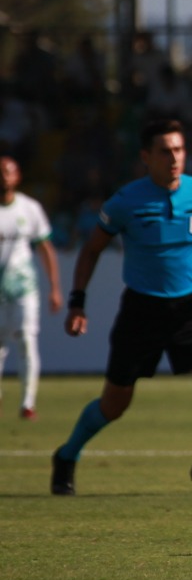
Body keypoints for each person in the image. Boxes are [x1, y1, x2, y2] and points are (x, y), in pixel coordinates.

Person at [52, 119, 192, 497]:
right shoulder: (126, 202)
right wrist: (77, 303)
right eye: (165, 151)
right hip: (141, 310)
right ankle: (66, 454)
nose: (174, 158)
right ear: (146, 157)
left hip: (190, 309)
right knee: (114, 405)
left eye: (179, 149)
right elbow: (91, 249)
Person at [0, 157, 60, 419]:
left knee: (26, 340)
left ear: (17, 176)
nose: (4, 177)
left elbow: (45, 247)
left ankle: (28, 403)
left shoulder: (29, 208)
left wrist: (54, 287)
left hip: (25, 288)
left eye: (8, 172)